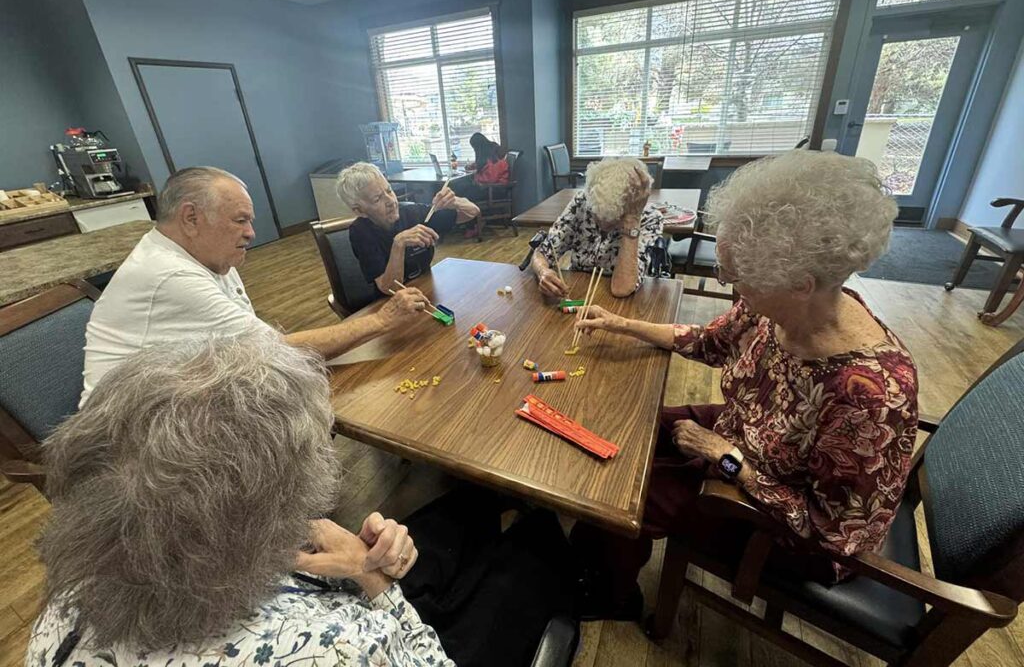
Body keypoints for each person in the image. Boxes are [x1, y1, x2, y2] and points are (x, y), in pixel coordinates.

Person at [30, 332, 576, 667]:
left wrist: (335, 550)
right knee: (535, 552)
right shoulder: (332, 648)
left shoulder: (71, 599)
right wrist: (373, 582)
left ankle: (483, 531)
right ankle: (535, 544)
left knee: (465, 507)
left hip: (292, 598)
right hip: (390, 634)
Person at [571, 150, 919, 619]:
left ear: (800, 283)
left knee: (623, 496)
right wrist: (620, 323)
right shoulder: (780, 305)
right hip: (743, 437)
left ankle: (610, 595)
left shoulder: (870, 394)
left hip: (781, 526)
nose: (728, 285)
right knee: (622, 431)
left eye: (737, 277)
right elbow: (707, 341)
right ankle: (592, 551)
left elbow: (832, 533)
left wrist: (726, 459)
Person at [81, 167, 430, 406]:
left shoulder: (209, 256)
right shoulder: (170, 275)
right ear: (190, 218)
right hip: (131, 435)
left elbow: (252, 344)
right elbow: (276, 352)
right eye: (240, 220)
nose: (251, 232)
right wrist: (382, 321)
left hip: (181, 389)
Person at [337, 162, 481, 295]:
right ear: (359, 210)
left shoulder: (412, 213)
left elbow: (472, 212)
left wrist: (454, 202)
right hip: (391, 304)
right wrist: (399, 244)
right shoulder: (361, 232)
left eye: (389, 190)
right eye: (377, 199)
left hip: (427, 289)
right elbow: (390, 289)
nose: (391, 201)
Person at [532, 157, 664, 298]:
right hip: (578, 293)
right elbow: (543, 252)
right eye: (597, 216)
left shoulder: (649, 218)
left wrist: (632, 221)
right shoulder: (582, 201)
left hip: (620, 305)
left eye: (613, 220)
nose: (604, 225)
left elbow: (622, 289)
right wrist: (543, 271)